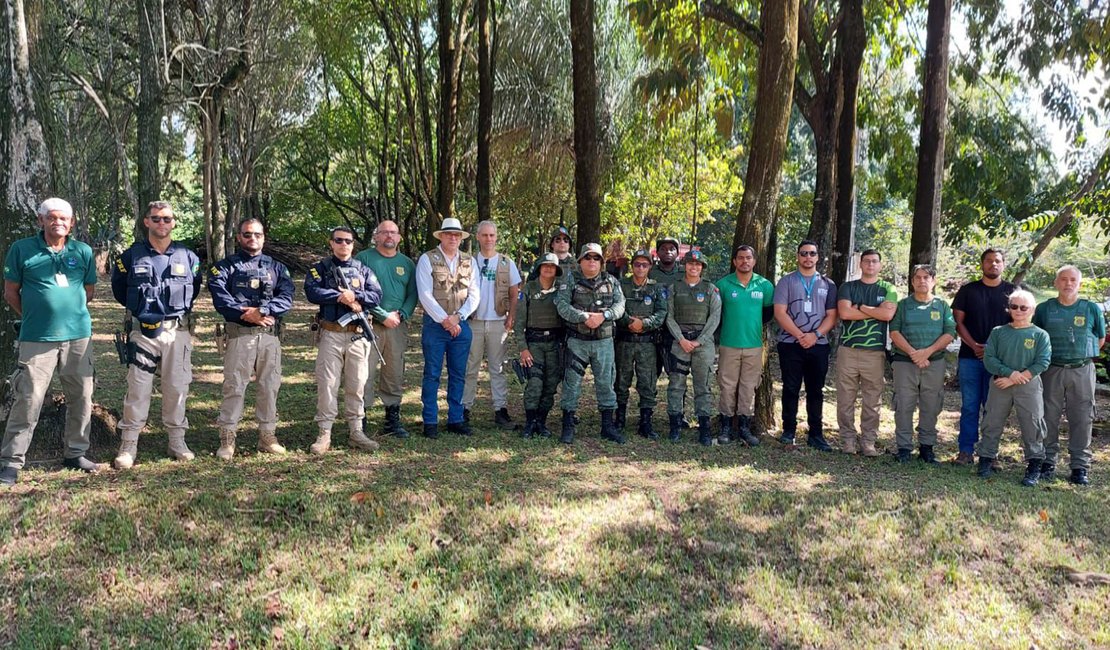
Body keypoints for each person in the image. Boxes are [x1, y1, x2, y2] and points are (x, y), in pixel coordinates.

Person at [0, 199, 98, 486]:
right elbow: (10, 292)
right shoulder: (21, 250)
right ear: (41, 220)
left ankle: (76, 453)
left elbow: (88, 291)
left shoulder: (83, 251)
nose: (58, 222)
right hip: (37, 338)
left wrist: (67, 314)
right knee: (28, 399)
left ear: (72, 223)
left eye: (63, 219)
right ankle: (10, 462)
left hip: (78, 337)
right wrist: (36, 316)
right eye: (52, 217)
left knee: (81, 396)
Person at [111, 201, 202, 469]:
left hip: (178, 330)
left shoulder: (189, 256)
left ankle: (177, 441)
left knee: (177, 386)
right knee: (138, 387)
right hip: (143, 331)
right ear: (146, 222)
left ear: (174, 223)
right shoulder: (131, 256)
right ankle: (129, 444)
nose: (162, 223)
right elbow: (119, 289)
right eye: (156, 219)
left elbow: (193, 289)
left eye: (167, 219)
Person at [207, 219, 295, 459]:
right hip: (239, 336)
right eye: (247, 234)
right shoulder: (225, 267)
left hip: (269, 338)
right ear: (239, 237)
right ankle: (227, 439)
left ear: (264, 237)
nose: (252, 238)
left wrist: (263, 312)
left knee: (269, 386)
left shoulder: (277, 267)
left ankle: (267, 437)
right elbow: (221, 298)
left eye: (257, 234)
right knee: (234, 386)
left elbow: (286, 297)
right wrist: (249, 315)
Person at [304, 227, 384, 454]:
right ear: (331, 243)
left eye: (348, 241)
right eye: (339, 240)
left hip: (358, 335)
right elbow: (312, 292)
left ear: (353, 244)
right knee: (327, 384)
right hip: (331, 333)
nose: (343, 244)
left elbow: (376, 295)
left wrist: (356, 296)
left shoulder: (363, 270)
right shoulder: (320, 269)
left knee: (357, 383)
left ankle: (356, 431)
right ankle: (324, 432)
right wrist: (340, 296)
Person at [1033, 266, 1105, 485]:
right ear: (1056, 283)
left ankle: (1079, 466)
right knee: (1048, 416)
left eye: (1073, 280)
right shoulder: (1044, 309)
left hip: (1081, 370)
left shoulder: (1091, 308)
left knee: (1082, 418)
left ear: (1079, 284)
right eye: (1063, 279)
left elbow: (1100, 339)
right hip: (1051, 370)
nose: (1068, 283)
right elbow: (1036, 337)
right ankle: (1047, 461)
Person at [976, 289, 1050, 487]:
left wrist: (1017, 378)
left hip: (1029, 384)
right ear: (1009, 308)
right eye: (1014, 306)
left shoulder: (1040, 335)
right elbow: (989, 358)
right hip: (1000, 383)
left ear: (1032, 309)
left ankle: (1034, 465)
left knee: (1032, 425)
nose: (1018, 310)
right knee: (992, 421)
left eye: (1023, 307)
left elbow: (1042, 362)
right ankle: (986, 459)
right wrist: (1009, 374)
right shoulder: (998, 332)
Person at [555, 243, 626, 444]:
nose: (592, 261)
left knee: (606, 383)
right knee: (572, 384)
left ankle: (607, 426)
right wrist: (583, 316)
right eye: (588, 258)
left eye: (596, 258)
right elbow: (561, 305)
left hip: (603, 342)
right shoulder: (570, 280)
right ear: (580, 261)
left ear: (602, 262)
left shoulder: (611, 281)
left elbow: (620, 306)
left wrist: (604, 315)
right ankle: (568, 426)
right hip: (577, 342)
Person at [416, 218, 479, 438]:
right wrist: (445, 320)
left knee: (458, 374)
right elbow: (425, 294)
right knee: (432, 374)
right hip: (435, 326)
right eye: (449, 234)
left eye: (457, 235)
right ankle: (430, 421)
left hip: (461, 326)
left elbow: (474, 294)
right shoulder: (427, 259)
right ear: (441, 236)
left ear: (461, 238)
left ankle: (456, 419)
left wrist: (458, 317)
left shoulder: (469, 261)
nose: (453, 238)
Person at [355, 220, 417, 438]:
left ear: (399, 237)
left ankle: (392, 419)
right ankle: (360, 420)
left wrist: (401, 314)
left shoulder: (407, 263)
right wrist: (382, 314)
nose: (389, 236)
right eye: (384, 233)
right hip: (368, 323)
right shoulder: (364, 258)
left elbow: (412, 294)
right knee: (364, 371)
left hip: (397, 325)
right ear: (377, 237)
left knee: (394, 371)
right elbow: (358, 290)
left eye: (393, 233)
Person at [773, 240, 838, 450]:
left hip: (818, 345)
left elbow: (832, 315)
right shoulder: (786, 282)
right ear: (797, 256)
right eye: (803, 253)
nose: (808, 257)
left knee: (815, 390)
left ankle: (816, 434)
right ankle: (788, 431)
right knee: (790, 388)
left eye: (812, 253)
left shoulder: (828, 284)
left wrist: (815, 335)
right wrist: (801, 335)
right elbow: (779, 312)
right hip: (790, 343)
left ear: (818, 257)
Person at [952, 249, 1014, 464]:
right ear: (982, 264)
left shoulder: (1012, 292)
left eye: (997, 261)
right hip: (970, 357)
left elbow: (1018, 325)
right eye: (989, 261)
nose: (993, 264)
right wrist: (974, 345)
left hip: (999, 361)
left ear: (1003, 265)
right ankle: (965, 451)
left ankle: (989, 453)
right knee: (970, 406)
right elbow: (957, 322)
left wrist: (993, 351)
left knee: (993, 407)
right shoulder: (968, 291)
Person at [888, 265, 956, 464]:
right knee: (903, 404)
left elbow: (950, 332)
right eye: (917, 277)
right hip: (904, 362)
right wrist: (913, 353)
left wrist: (927, 352)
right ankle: (904, 449)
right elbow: (894, 332)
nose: (921, 281)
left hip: (933, 363)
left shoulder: (942, 305)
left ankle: (927, 447)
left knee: (931, 404)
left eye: (926, 277)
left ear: (933, 281)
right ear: (912, 281)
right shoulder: (903, 305)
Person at [835, 249, 897, 455]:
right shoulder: (848, 287)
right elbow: (844, 312)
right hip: (848, 350)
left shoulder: (888, 288)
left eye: (874, 261)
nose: (871, 264)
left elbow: (887, 314)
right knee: (845, 398)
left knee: (872, 399)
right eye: (867, 261)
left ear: (880, 265)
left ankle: (868, 441)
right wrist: (875, 312)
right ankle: (847, 441)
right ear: (860, 264)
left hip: (875, 352)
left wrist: (860, 307)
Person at [462, 221, 522, 428]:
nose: (488, 239)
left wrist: (511, 317)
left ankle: (500, 409)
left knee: (497, 367)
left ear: (496, 238)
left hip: (498, 322)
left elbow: (515, 294)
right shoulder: (468, 262)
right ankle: (464, 408)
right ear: (477, 237)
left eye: (492, 235)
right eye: (484, 235)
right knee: (471, 366)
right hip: (474, 322)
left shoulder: (506, 263)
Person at [715, 244, 773, 446]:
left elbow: (768, 313)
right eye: (740, 258)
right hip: (728, 344)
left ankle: (744, 428)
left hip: (754, 345)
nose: (744, 261)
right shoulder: (723, 285)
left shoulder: (764, 285)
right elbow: (717, 314)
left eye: (748, 258)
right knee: (727, 386)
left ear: (754, 261)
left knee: (749, 387)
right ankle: (725, 427)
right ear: (734, 261)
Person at [665, 250, 721, 445]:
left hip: (703, 344)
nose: (694, 267)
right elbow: (668, 316)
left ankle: (704, 428)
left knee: (703, 386)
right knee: (676, 385)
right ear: (685, 265)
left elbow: (715, 318)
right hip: (679, 343)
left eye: (698, 265)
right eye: (690, 264)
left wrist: (699, 341)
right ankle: (674, 425)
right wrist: (681, 339)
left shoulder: (710, 289)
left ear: (702, 268)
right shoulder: (674, 288)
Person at [615, 249, 667, 439]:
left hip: (647, 343)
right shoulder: (621, 286)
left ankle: (645, 422)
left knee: (647, 382)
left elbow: (662, 313)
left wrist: (644, 324)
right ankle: (619, 419)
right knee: (621, 381)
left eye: (645, 264)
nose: (640, 268)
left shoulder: (656, 288)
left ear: (650, 267)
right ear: (632, 266)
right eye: (637, 264)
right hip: (625, 342)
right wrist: (629, 322)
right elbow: (616, 308)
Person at [514, 253, 565, 438]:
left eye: (552, 266)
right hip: (534, 344)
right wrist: (523, 348)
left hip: (555, 344)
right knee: (535, 383)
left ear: (556, 270)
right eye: (545, 266)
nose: (548, 269)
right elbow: (519, 323)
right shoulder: (528, 289)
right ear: (539, 268)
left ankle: (541, 422)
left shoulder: (562, 290)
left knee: (550, 385)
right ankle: (529, 422)